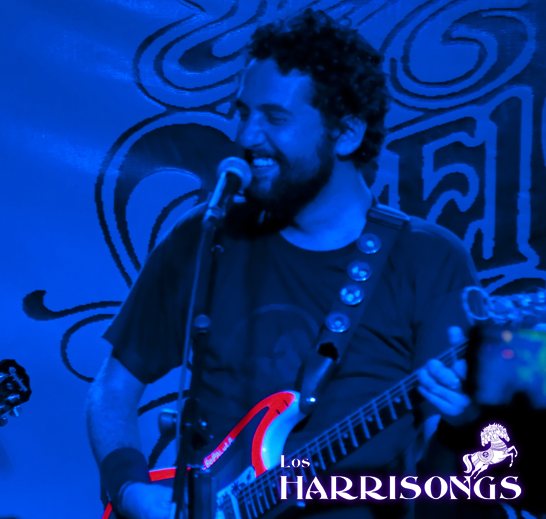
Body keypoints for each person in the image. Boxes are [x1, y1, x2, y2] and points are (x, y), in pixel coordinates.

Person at [87, 9, 478, 519]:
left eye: (274, 118)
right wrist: (129, 491)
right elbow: (113, 387)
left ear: (346, 133)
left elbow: (446, 471)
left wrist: (463, 424)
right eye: (242, 112)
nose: (247, 137)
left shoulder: (429, 259)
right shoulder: (207, 234)